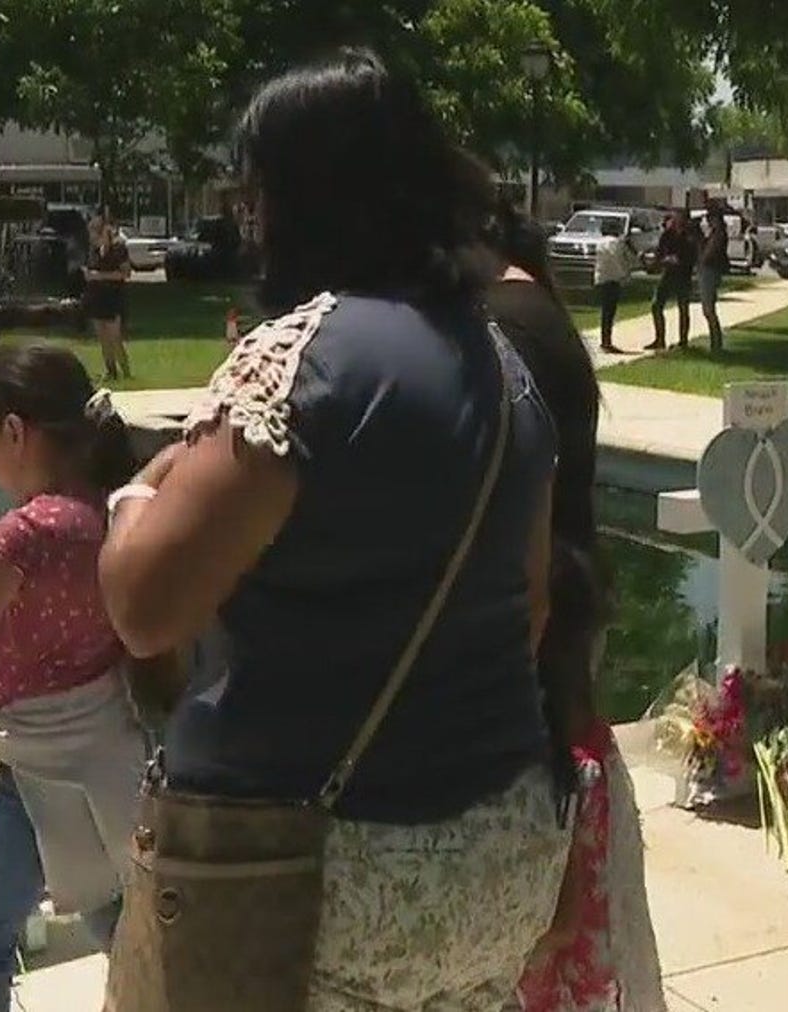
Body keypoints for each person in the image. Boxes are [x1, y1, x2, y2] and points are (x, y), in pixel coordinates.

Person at [97, 50, 569, 1011]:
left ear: (297, 196)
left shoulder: (298, 362)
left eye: (254, 189)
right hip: (501, 857)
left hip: (313, 879)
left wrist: (137, 493)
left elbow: (143, 608)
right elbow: (531, 607)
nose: (247, 213)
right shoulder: (503, 362)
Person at [481, 203, 668, 1012]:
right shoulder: (538, 312)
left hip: (532, 658)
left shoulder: (496, 326)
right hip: (566, 636)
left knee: (548, 926)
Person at [0, 343, 148, 1012]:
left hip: (31, 764)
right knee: (116, 919)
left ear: (15, 432)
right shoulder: (112, 510)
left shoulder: (18, 537)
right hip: (110, 753)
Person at [83, 207, 134, 381]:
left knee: (115, 338)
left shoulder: (118, 248)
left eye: (95, 234)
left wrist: (99, 276)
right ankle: (111, 371)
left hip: (113, 296)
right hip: (97, 296)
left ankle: (126, 372)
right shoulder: (94, 251)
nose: (92, 238)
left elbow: (125, 273)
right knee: (103, 338)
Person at [648, 210, 698, 350]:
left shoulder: (690, 235)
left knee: (683, 308)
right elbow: (660, 253)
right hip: (668, 273)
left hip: (683, 274)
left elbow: (693, 256)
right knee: (656, 305)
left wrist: (679, 260)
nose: (676, 221)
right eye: (675, 217)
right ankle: (660, 339)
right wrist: (661, 260)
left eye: (679, 218)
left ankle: (683, 341)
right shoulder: (667, 234)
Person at [592, 218, 638, 353]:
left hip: (601, 279)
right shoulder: (617, 243)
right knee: (609, 312)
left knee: (605, 312)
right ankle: (606, 343)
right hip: (613, 280)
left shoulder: (599, 243)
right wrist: (625, 274)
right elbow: (623, 259)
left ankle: (605, 341)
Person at [698, 203, 734, 352]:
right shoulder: (716, 233)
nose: (708, 221)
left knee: (708, 309)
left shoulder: (719, 234)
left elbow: (709, 253)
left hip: (711, 271)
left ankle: (716, 342)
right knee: (708, 309)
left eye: (710, 218)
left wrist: (702, 257)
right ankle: (715, 342)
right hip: (709, 270)